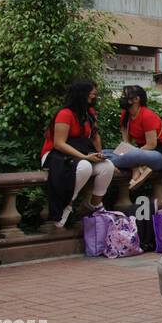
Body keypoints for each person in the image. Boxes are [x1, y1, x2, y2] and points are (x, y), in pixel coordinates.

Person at [42, 80, 115, 228]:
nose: (94, 96)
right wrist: (84, 157)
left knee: (107, 166)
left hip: (81, 154)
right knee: (85, 166)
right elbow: (59, 143)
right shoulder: (65, 114)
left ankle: (94, 205)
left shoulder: (90, 113)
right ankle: (67, 205)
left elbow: (95, 136)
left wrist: (99, 154)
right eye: (91, 93)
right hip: (55, 155)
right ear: (82, 94)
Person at [106, 85, 162, 190]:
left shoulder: (147, 115)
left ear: (137, 99)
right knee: (104, 152)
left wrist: (129, 153)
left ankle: (107, 163)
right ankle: (136, 167)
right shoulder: (125, 114)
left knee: (134, 154)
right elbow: (126, 143)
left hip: (159, 153)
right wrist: (122, 152)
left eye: (126, 95)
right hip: (141, 151)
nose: (122, 97)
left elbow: (151, 145)